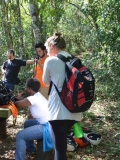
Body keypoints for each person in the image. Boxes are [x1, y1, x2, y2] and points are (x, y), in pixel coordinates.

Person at [42, 32, 82, 160]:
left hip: (58, 112)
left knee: (59, 150)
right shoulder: (74, 59)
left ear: (53, 47)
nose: (47, 52)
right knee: (62, 146)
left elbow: (46, 82)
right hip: (74, 111)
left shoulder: (51, 60)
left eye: (48, 49)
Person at [14, 78, 53, 160]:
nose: (25, 89)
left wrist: (15, 100)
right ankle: (30, 148)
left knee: (20, 135)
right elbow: (26, 101)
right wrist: (20, 99)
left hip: (47, 128)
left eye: (26, 87)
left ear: (30, 89)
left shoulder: (33, 98)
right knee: (27, 123)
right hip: (49, 124)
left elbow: (17, 104)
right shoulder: (37, 96)